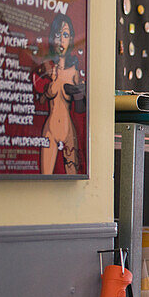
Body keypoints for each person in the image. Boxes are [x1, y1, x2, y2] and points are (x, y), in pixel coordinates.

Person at [34, 12, 85, 175]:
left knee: (74, 177)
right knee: (44, 178)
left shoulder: (74, 73)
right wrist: (51, 85)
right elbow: (42, 98)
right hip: (50, 129)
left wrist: (79, 93)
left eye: (65, 34)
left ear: (70, 39)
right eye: (57, 34)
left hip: (68, 129)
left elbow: (81, 107)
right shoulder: (47, 69)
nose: (61, 39)